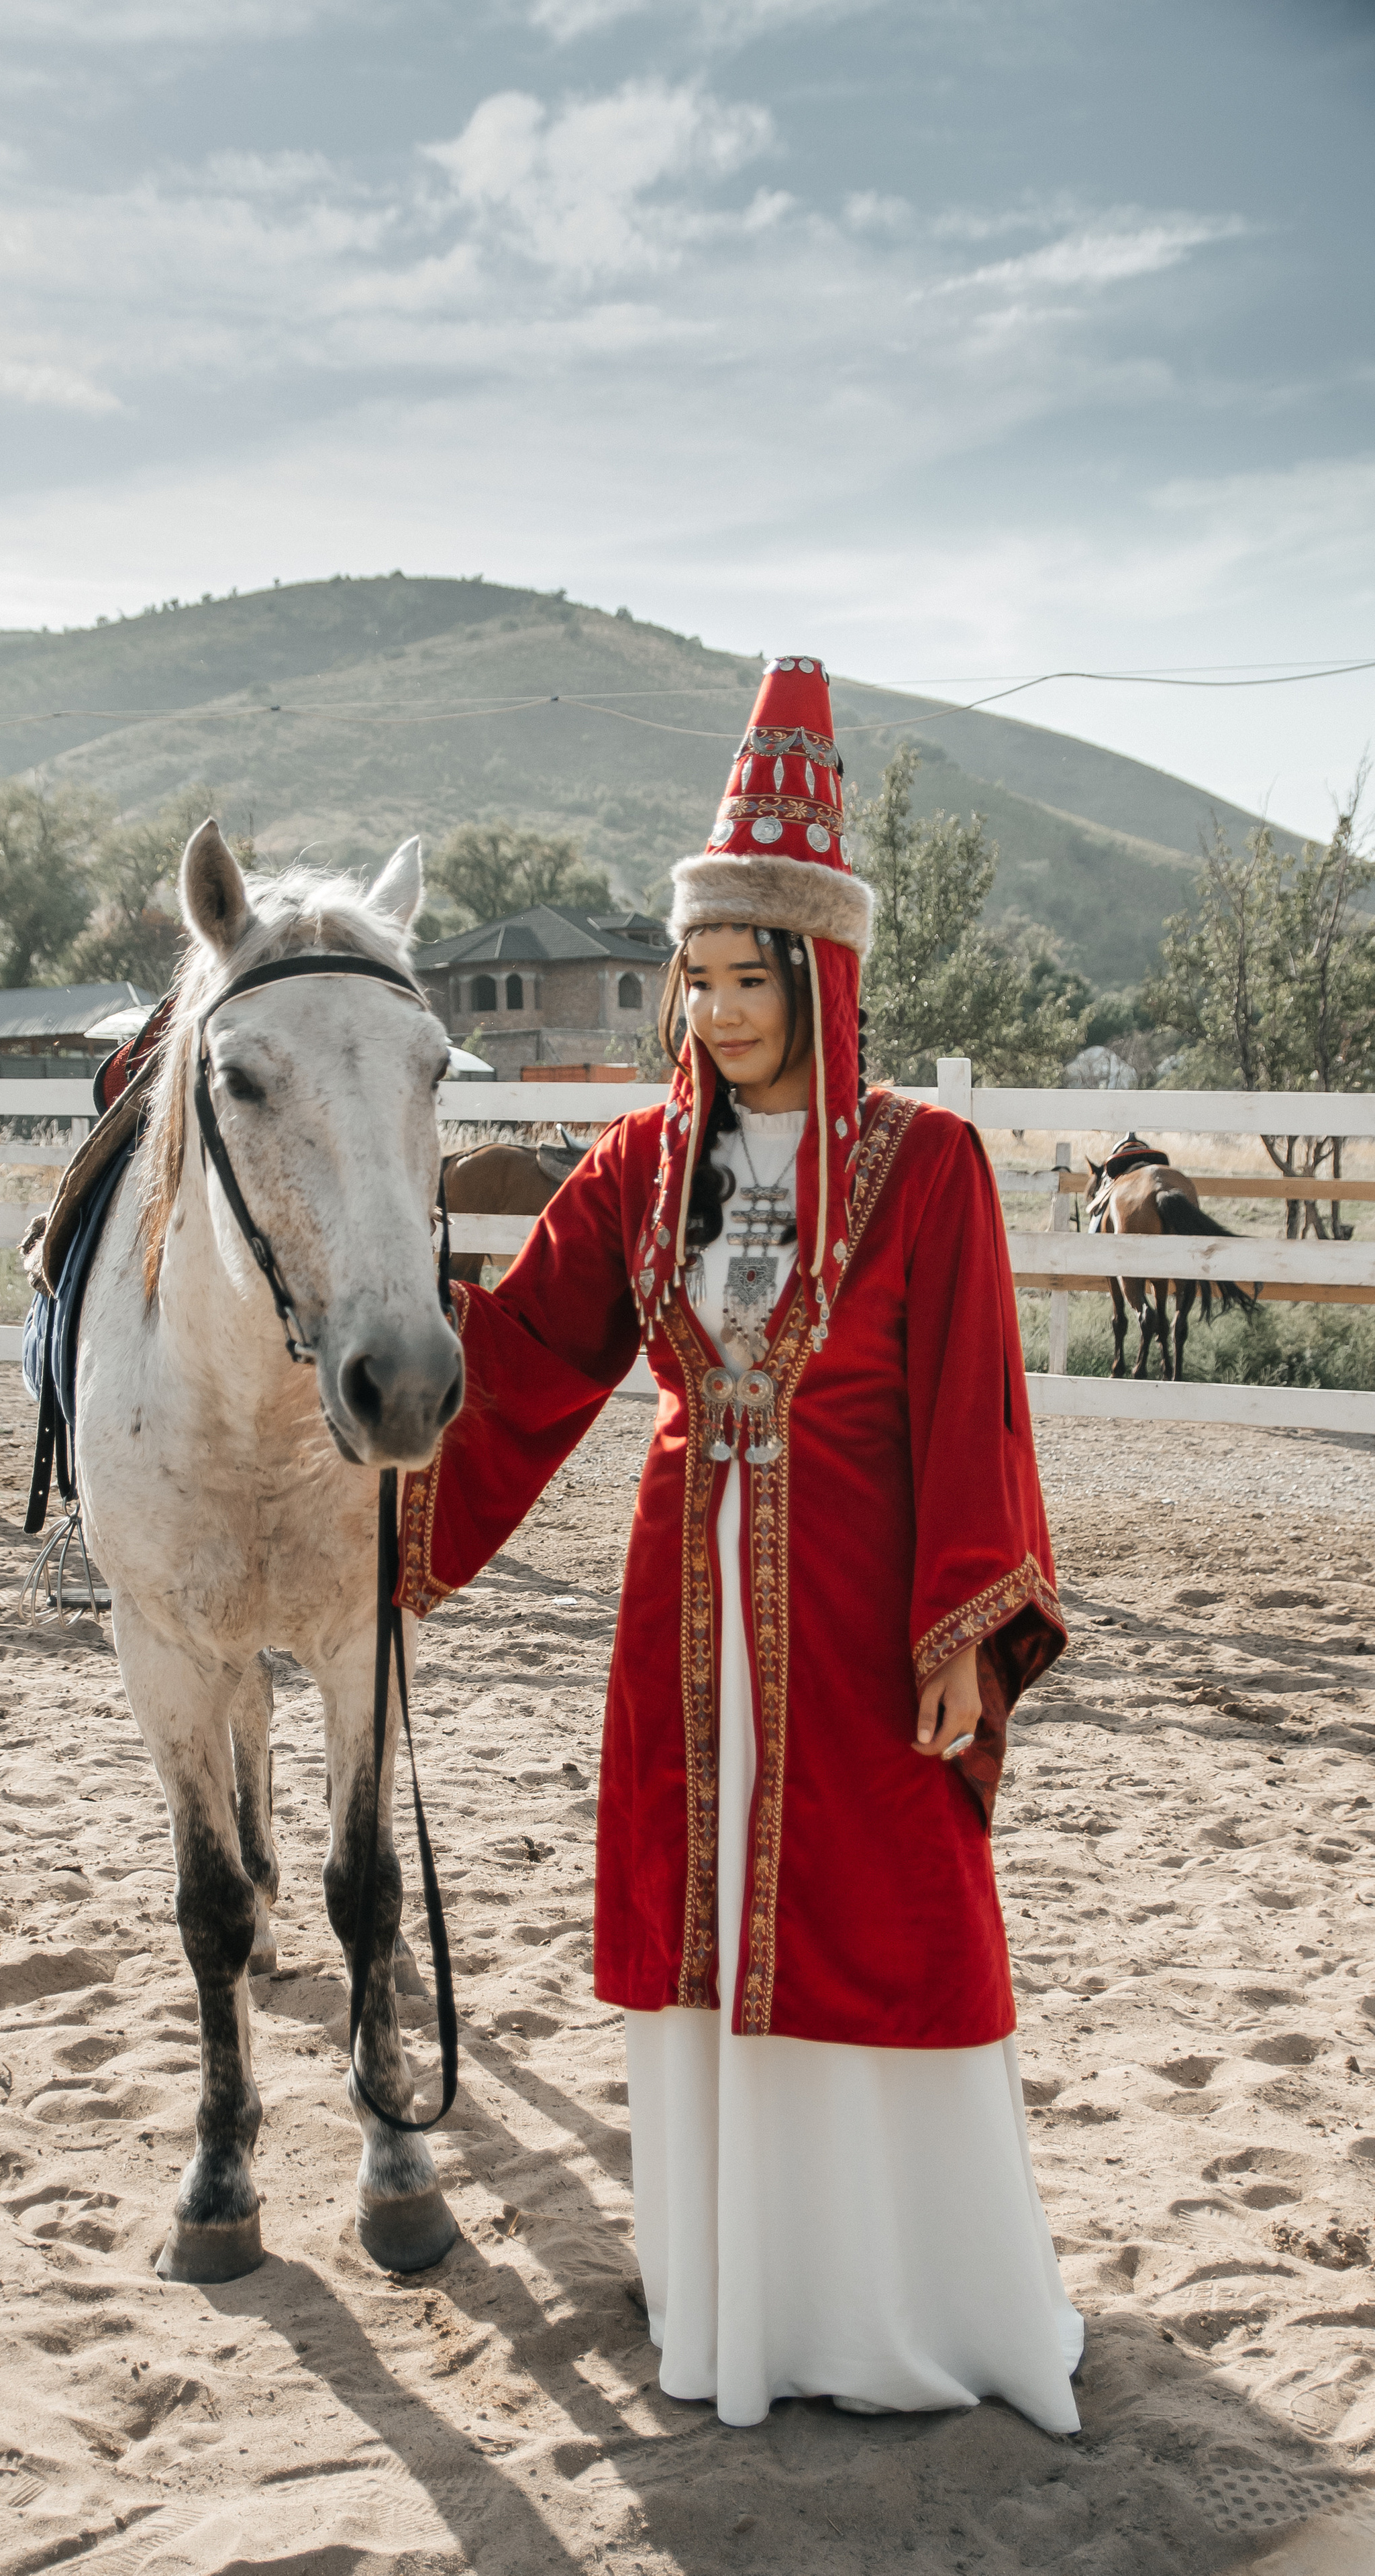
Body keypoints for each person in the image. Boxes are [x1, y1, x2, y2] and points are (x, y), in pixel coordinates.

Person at [397, 656, 1082, 2434]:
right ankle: (736, 2308)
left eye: (745, 972)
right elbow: (533, 1358)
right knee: (700, 1929)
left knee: (889, 1909)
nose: (713, 1006)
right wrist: (392, 1472)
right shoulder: (636, 1164)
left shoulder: (931, 1168)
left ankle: (895, 2308)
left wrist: (963, 1622)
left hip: (864, 1615)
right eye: (690, 975)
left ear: (818, 967)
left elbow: (973, 1406)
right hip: (678, 1625)